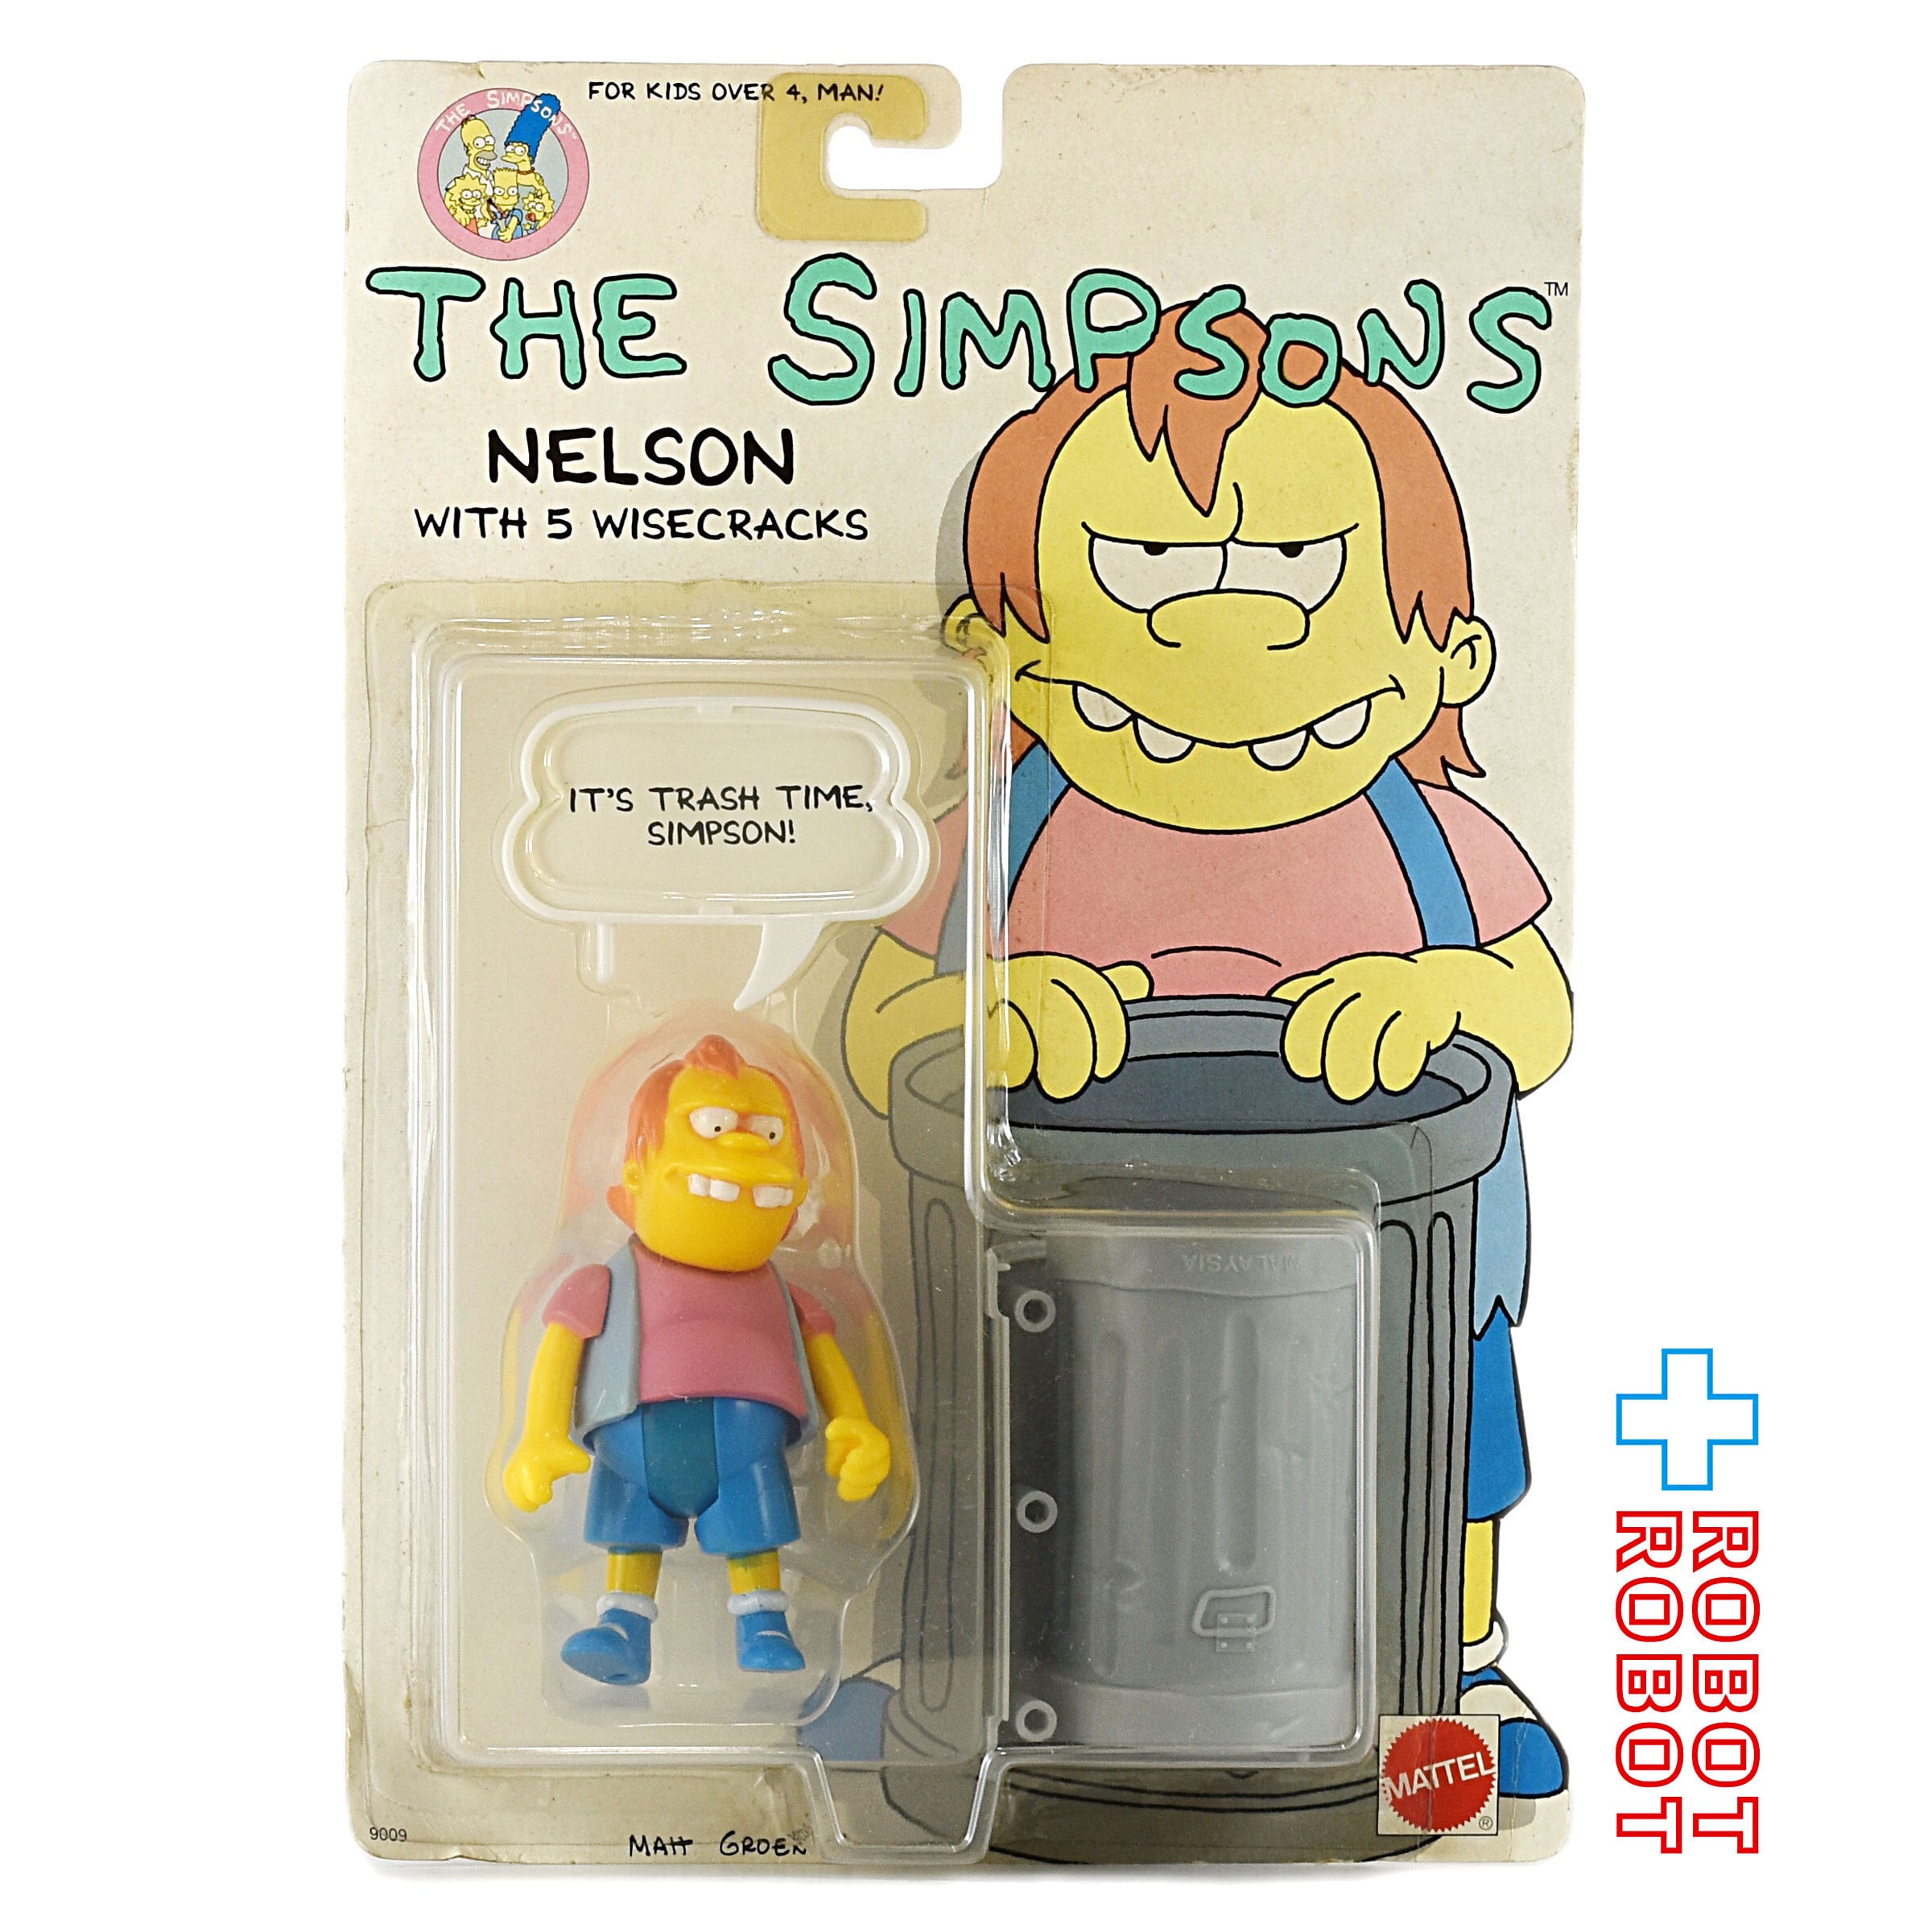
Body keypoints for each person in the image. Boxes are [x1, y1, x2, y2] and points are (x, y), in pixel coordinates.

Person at [844, 304, 1571, 1801]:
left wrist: (1443, 996)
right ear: (996, 653)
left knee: (1449, 1438)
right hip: (1043, 1257)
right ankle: (939, 1662)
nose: (1219, 636)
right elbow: (877, 1025)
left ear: (1447, 655)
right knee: (968, 1426)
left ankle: (1455, 1672)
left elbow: (1541, 1012)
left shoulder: (1434, 846)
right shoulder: (991, 841)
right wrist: (981, 1014)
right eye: (1139, 576)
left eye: (1301, 574)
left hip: (1401, 1258)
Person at [506, 1034, 891, 1685]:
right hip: (632, 1448)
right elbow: (563, 1343)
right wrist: (540, 1436)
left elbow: (822, 1351)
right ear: (636, 1177)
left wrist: (853, 1422)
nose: (743, 1147)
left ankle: (764, 1625)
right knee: (632, 1534)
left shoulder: (787, 1297)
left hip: (748, 1453)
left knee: (753, 1533)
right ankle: (622, 1630)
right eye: (712, 1126)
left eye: (768, 1135)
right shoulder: (608, 1281)